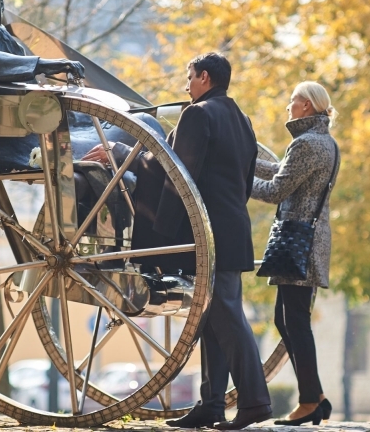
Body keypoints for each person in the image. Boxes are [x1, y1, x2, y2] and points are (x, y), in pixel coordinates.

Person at [83, 53, 272, 430]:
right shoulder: (243, 120)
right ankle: (213, 404)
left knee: (228, 317)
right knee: (214, 317)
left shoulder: (197, 114)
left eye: (189, 78)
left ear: (204, 77)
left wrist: (120, 153)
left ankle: (254, 401)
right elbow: (246, 179)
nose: (186, 86)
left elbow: (174, 171)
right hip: (234, 227)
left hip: (206, 234)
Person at [251, 81, 340, 426]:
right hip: (308, 241)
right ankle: (316, 396)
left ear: (306, 106)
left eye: (292, 101)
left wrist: (239, 183)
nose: (287, 106)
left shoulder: (305, 144)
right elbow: (281, 172)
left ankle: (307, 401)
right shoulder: (323, 142)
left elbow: (275, 190)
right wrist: (248, 161)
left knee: (296, 323)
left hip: (297, 241)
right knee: (286, 319)